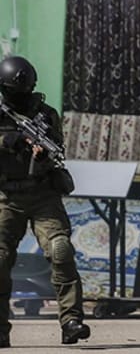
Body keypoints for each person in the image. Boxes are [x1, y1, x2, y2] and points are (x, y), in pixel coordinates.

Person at [0, 56, 90, 348]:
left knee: (60, 249)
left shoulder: (46, 114)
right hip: (6, 197)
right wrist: (7, 141)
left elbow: (57, 148)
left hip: (41, 193)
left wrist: (41, 154)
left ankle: (71, 321)